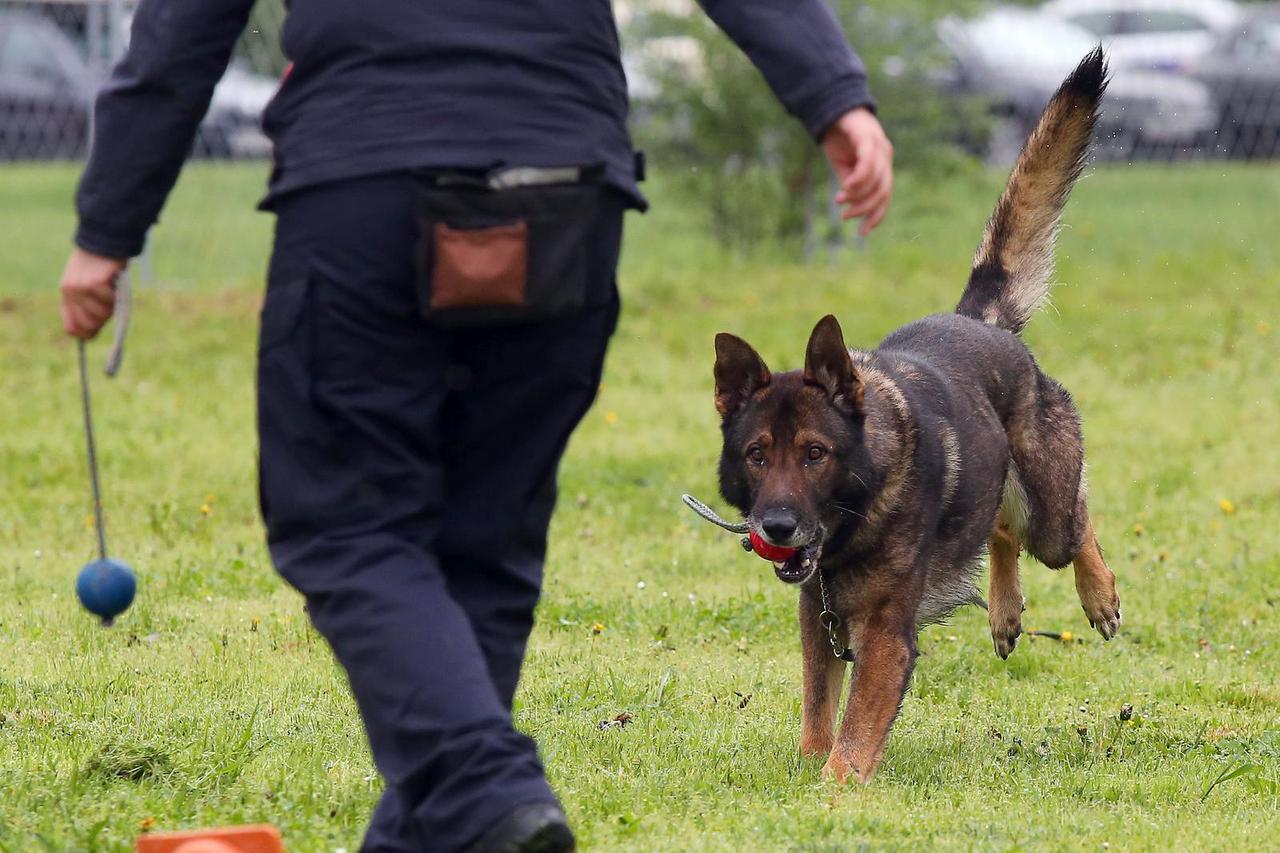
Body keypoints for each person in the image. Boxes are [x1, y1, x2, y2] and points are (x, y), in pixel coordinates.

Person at [58, 2, 893, 850]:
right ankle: (458, 817)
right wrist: (834, 97)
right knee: (485, 544)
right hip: (564, 185)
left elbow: (180, 30)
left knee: (342, 524)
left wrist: (106, 226)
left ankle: (485, 784)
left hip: (369, 181)